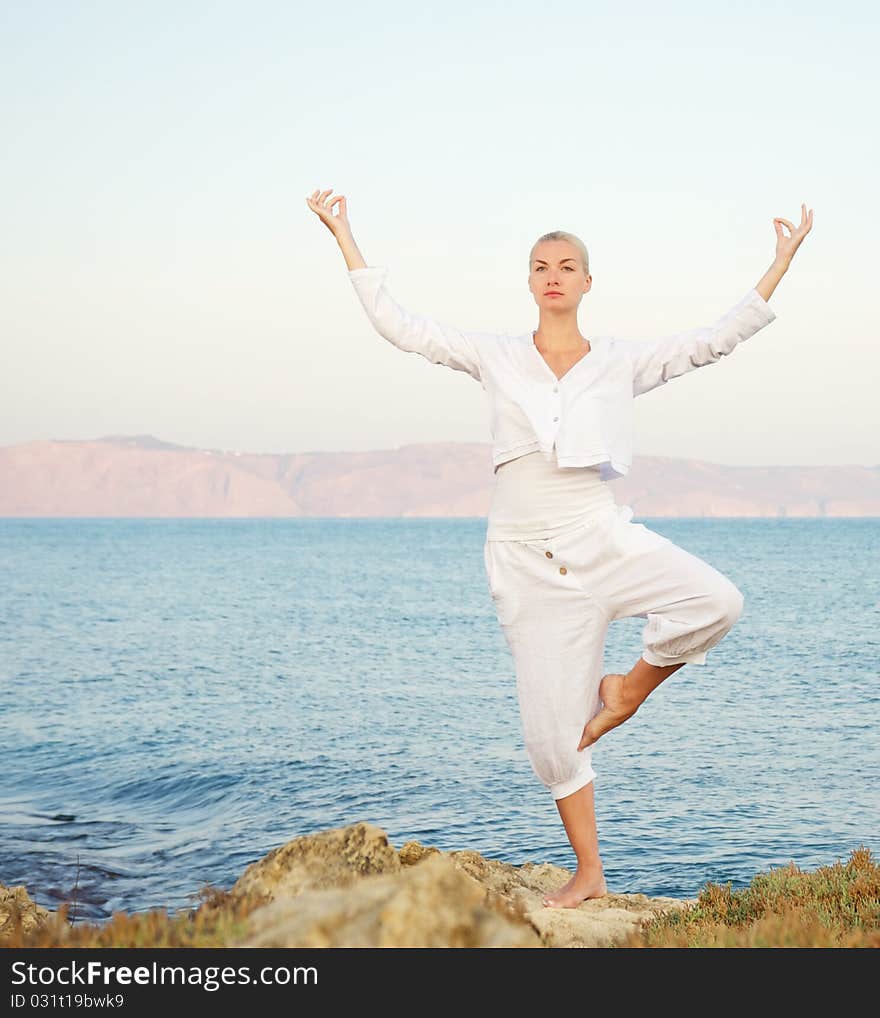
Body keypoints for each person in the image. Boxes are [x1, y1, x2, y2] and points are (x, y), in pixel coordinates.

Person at [306, 188, 814, 908]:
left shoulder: (618, 361)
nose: (553, 274)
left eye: (567, 265)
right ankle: (590, 872)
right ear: (530, 280)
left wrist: (779, 264)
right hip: (523, 558)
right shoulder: (496, 355)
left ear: (585, 283)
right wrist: (345, 235)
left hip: (597, 534)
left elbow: (710, 342)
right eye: (541, 264)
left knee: (717, 601)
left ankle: (630, 689)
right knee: (552, 741)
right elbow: (404, 328)